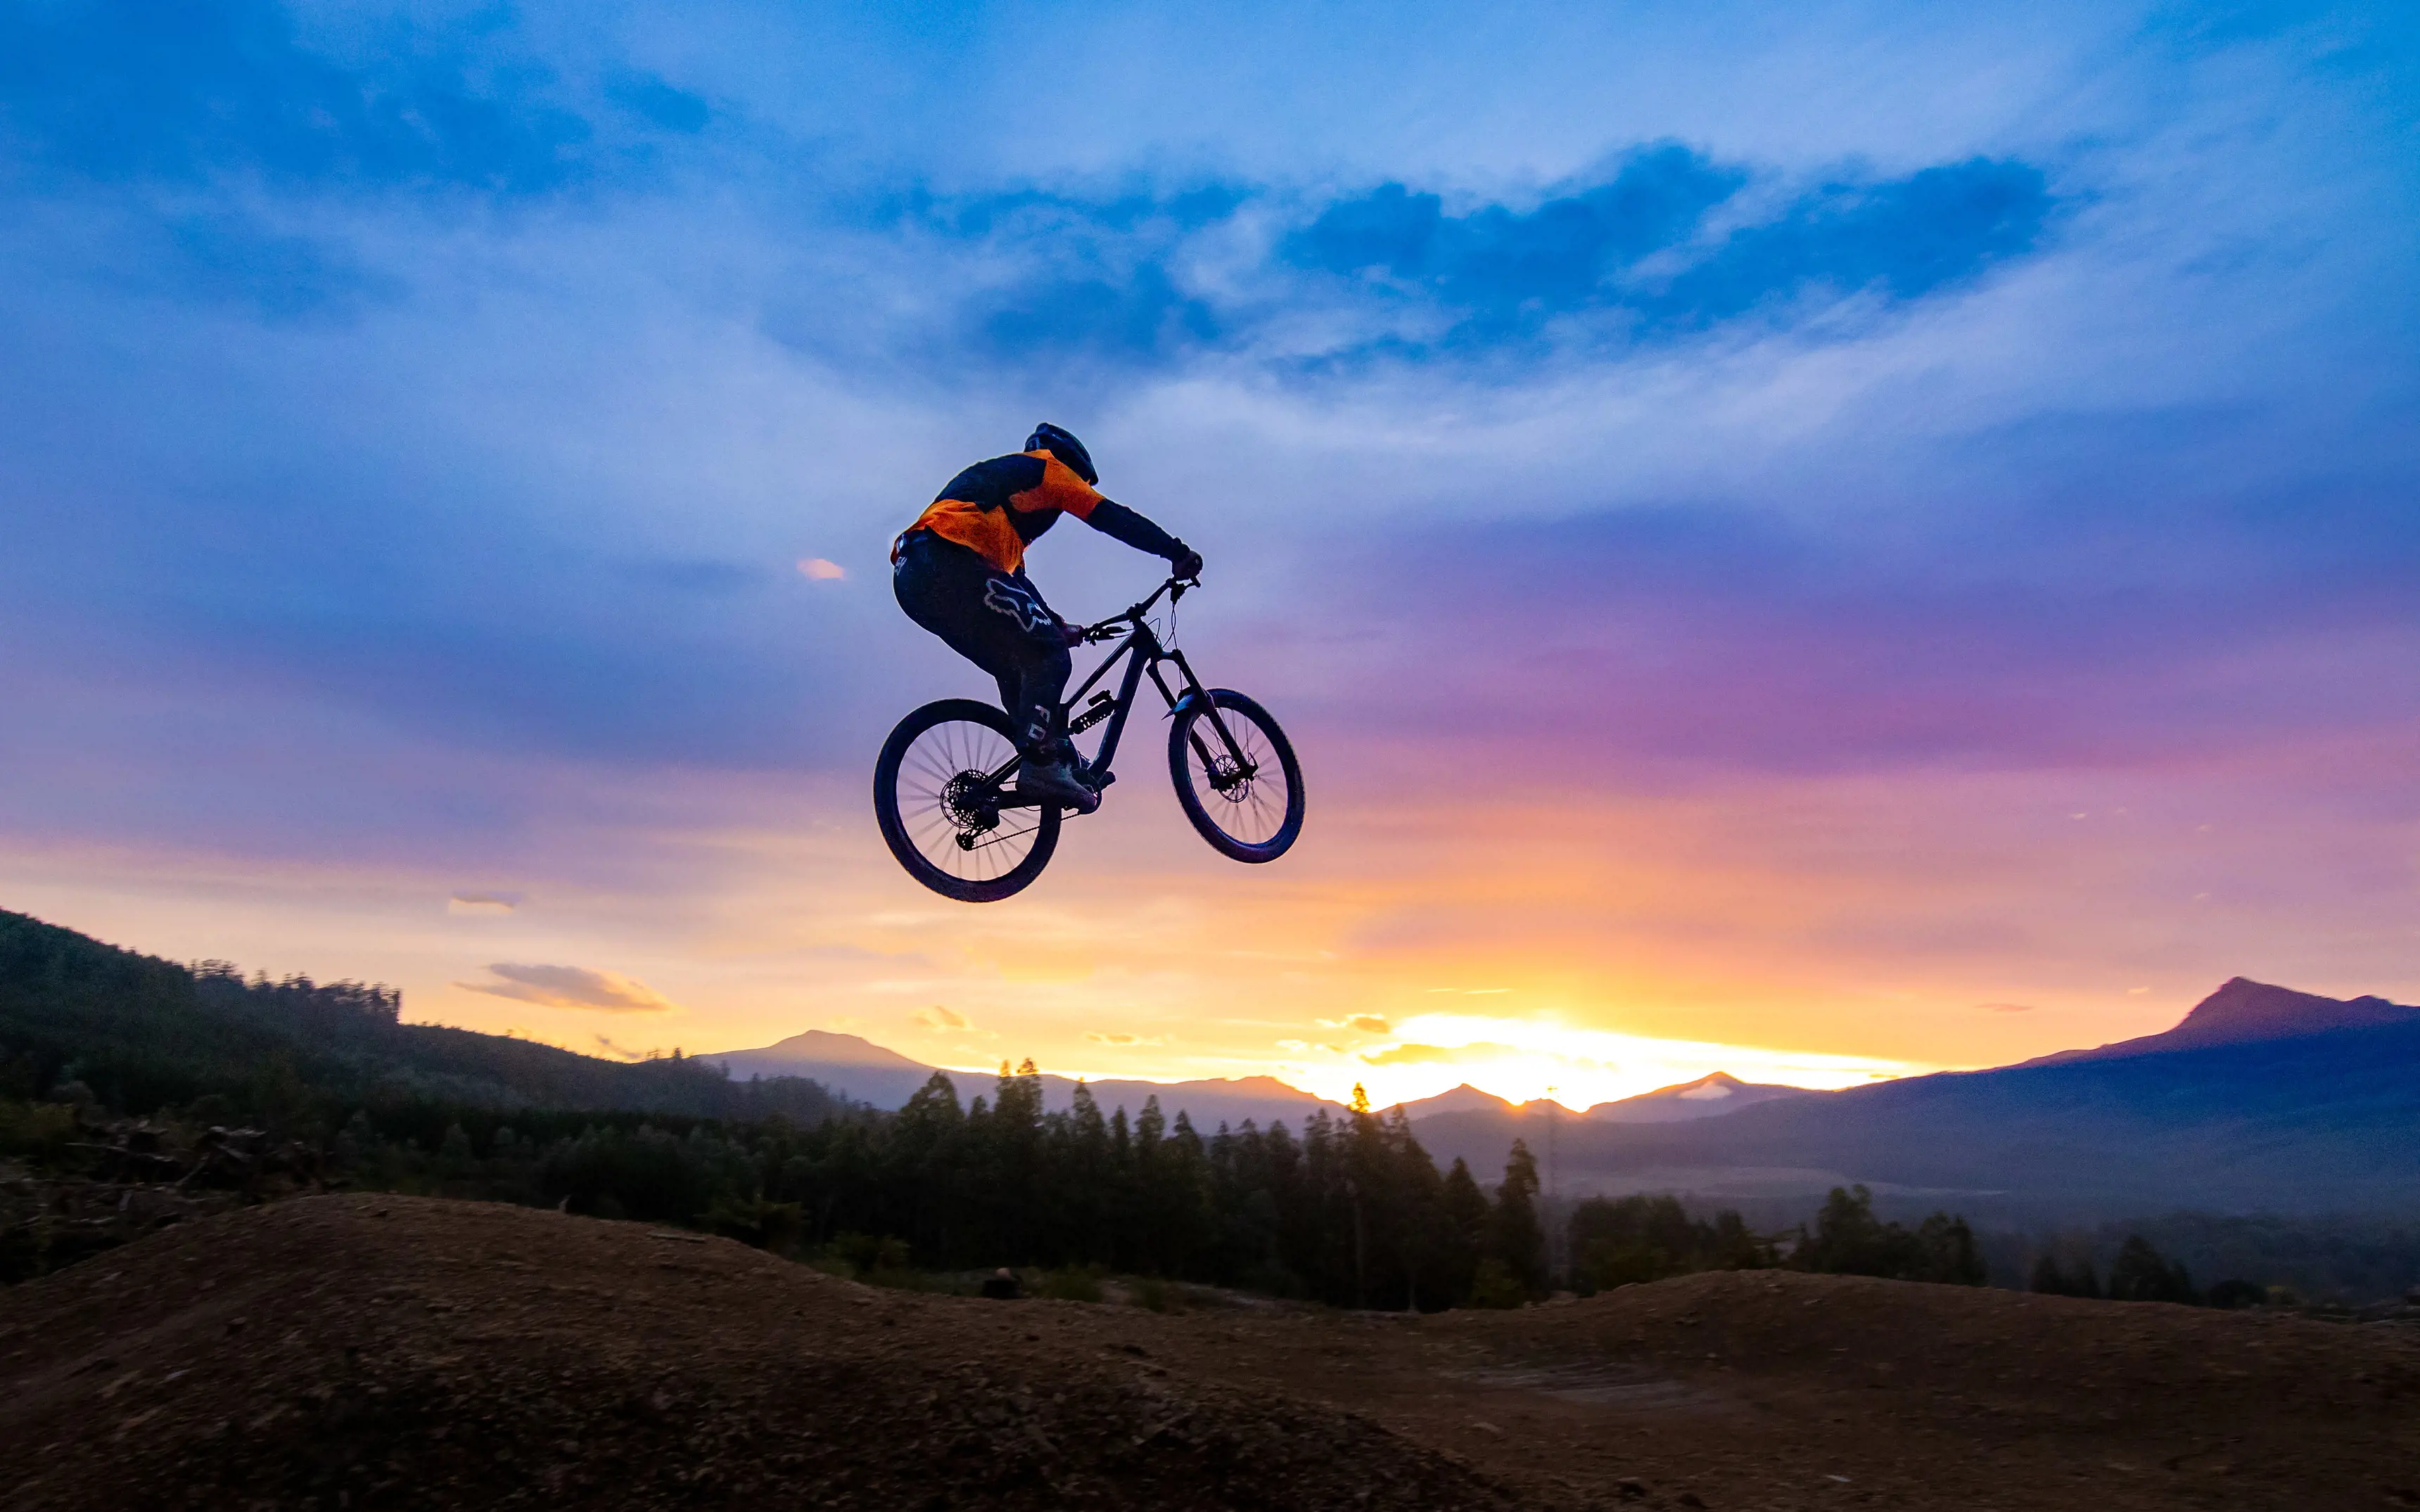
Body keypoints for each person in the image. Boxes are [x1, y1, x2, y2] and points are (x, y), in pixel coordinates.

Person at [891, 423, 1202, 814]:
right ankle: (1040, 764)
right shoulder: (1049, 469)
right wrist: (1174, 551)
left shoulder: (999, 525)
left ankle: (1054, 756)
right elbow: (1111, 517)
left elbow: (1016, 586)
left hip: (916, 578)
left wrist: (1056, 623)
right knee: (1050, 656)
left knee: (1020, 666)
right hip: (947, 562)